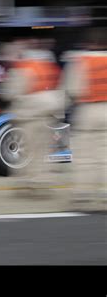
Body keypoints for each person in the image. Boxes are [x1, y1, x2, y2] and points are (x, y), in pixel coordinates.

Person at [0, 37, 63, 196]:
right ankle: (42, 182)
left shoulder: (23, 67)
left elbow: (9, 92)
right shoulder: (49, 67)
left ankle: (25, 184)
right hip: (47, 115)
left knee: (25, 151)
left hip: (28, 116)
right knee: (42, 151)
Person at [62, 27, 107, 211]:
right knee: (105, 156)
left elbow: (73, 90)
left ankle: (83, 195)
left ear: (89, 44)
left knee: (85, 156)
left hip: (87, 111)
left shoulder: (81, 61)